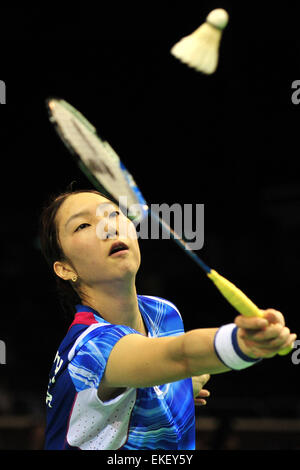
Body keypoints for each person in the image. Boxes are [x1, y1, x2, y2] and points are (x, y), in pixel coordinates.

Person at [39, 188, 296, 450]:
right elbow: (180, 356)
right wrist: (243, 343)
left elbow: (159, 365)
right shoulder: (90, 349)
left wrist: (173, 391)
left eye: (114, 214)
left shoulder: (163, 313)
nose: (108, 227)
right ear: (65, 268)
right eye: (83, 225)